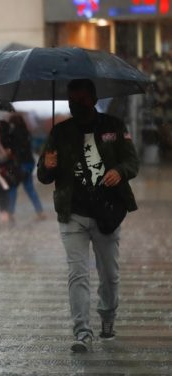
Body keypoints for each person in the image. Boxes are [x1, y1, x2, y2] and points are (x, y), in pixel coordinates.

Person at [37, 79, 139, 353]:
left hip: (108, 212)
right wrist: (47, 166)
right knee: (77, 274)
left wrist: (120, 171)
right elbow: (43, 175)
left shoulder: (113, 127)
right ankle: (82, 331)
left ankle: (107, 318)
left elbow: (132, 161)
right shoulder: (59, 133)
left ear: (93, 99)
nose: (75, 106)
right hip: (73, 214)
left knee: (109, 275)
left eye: (81, 100)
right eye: (71, 101)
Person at [5, 114, 46, 221]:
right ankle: (40, 212)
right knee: (29, 188)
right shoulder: (26, 132)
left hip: (21, 165)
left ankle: (10, 213)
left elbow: (13, 150)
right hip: (29, 164)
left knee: (13, 187)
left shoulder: (13, 134)